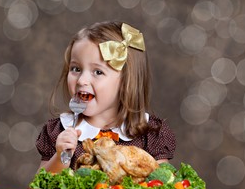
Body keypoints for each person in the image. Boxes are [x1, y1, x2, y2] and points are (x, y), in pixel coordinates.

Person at [36, 21, 176, 173]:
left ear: (126, 82)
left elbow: (164, 184)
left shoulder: (150, 134)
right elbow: (39, 185)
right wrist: (61, 157)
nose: (82, 80)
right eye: (76, 69)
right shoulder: (59, 131)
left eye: (97, 72)